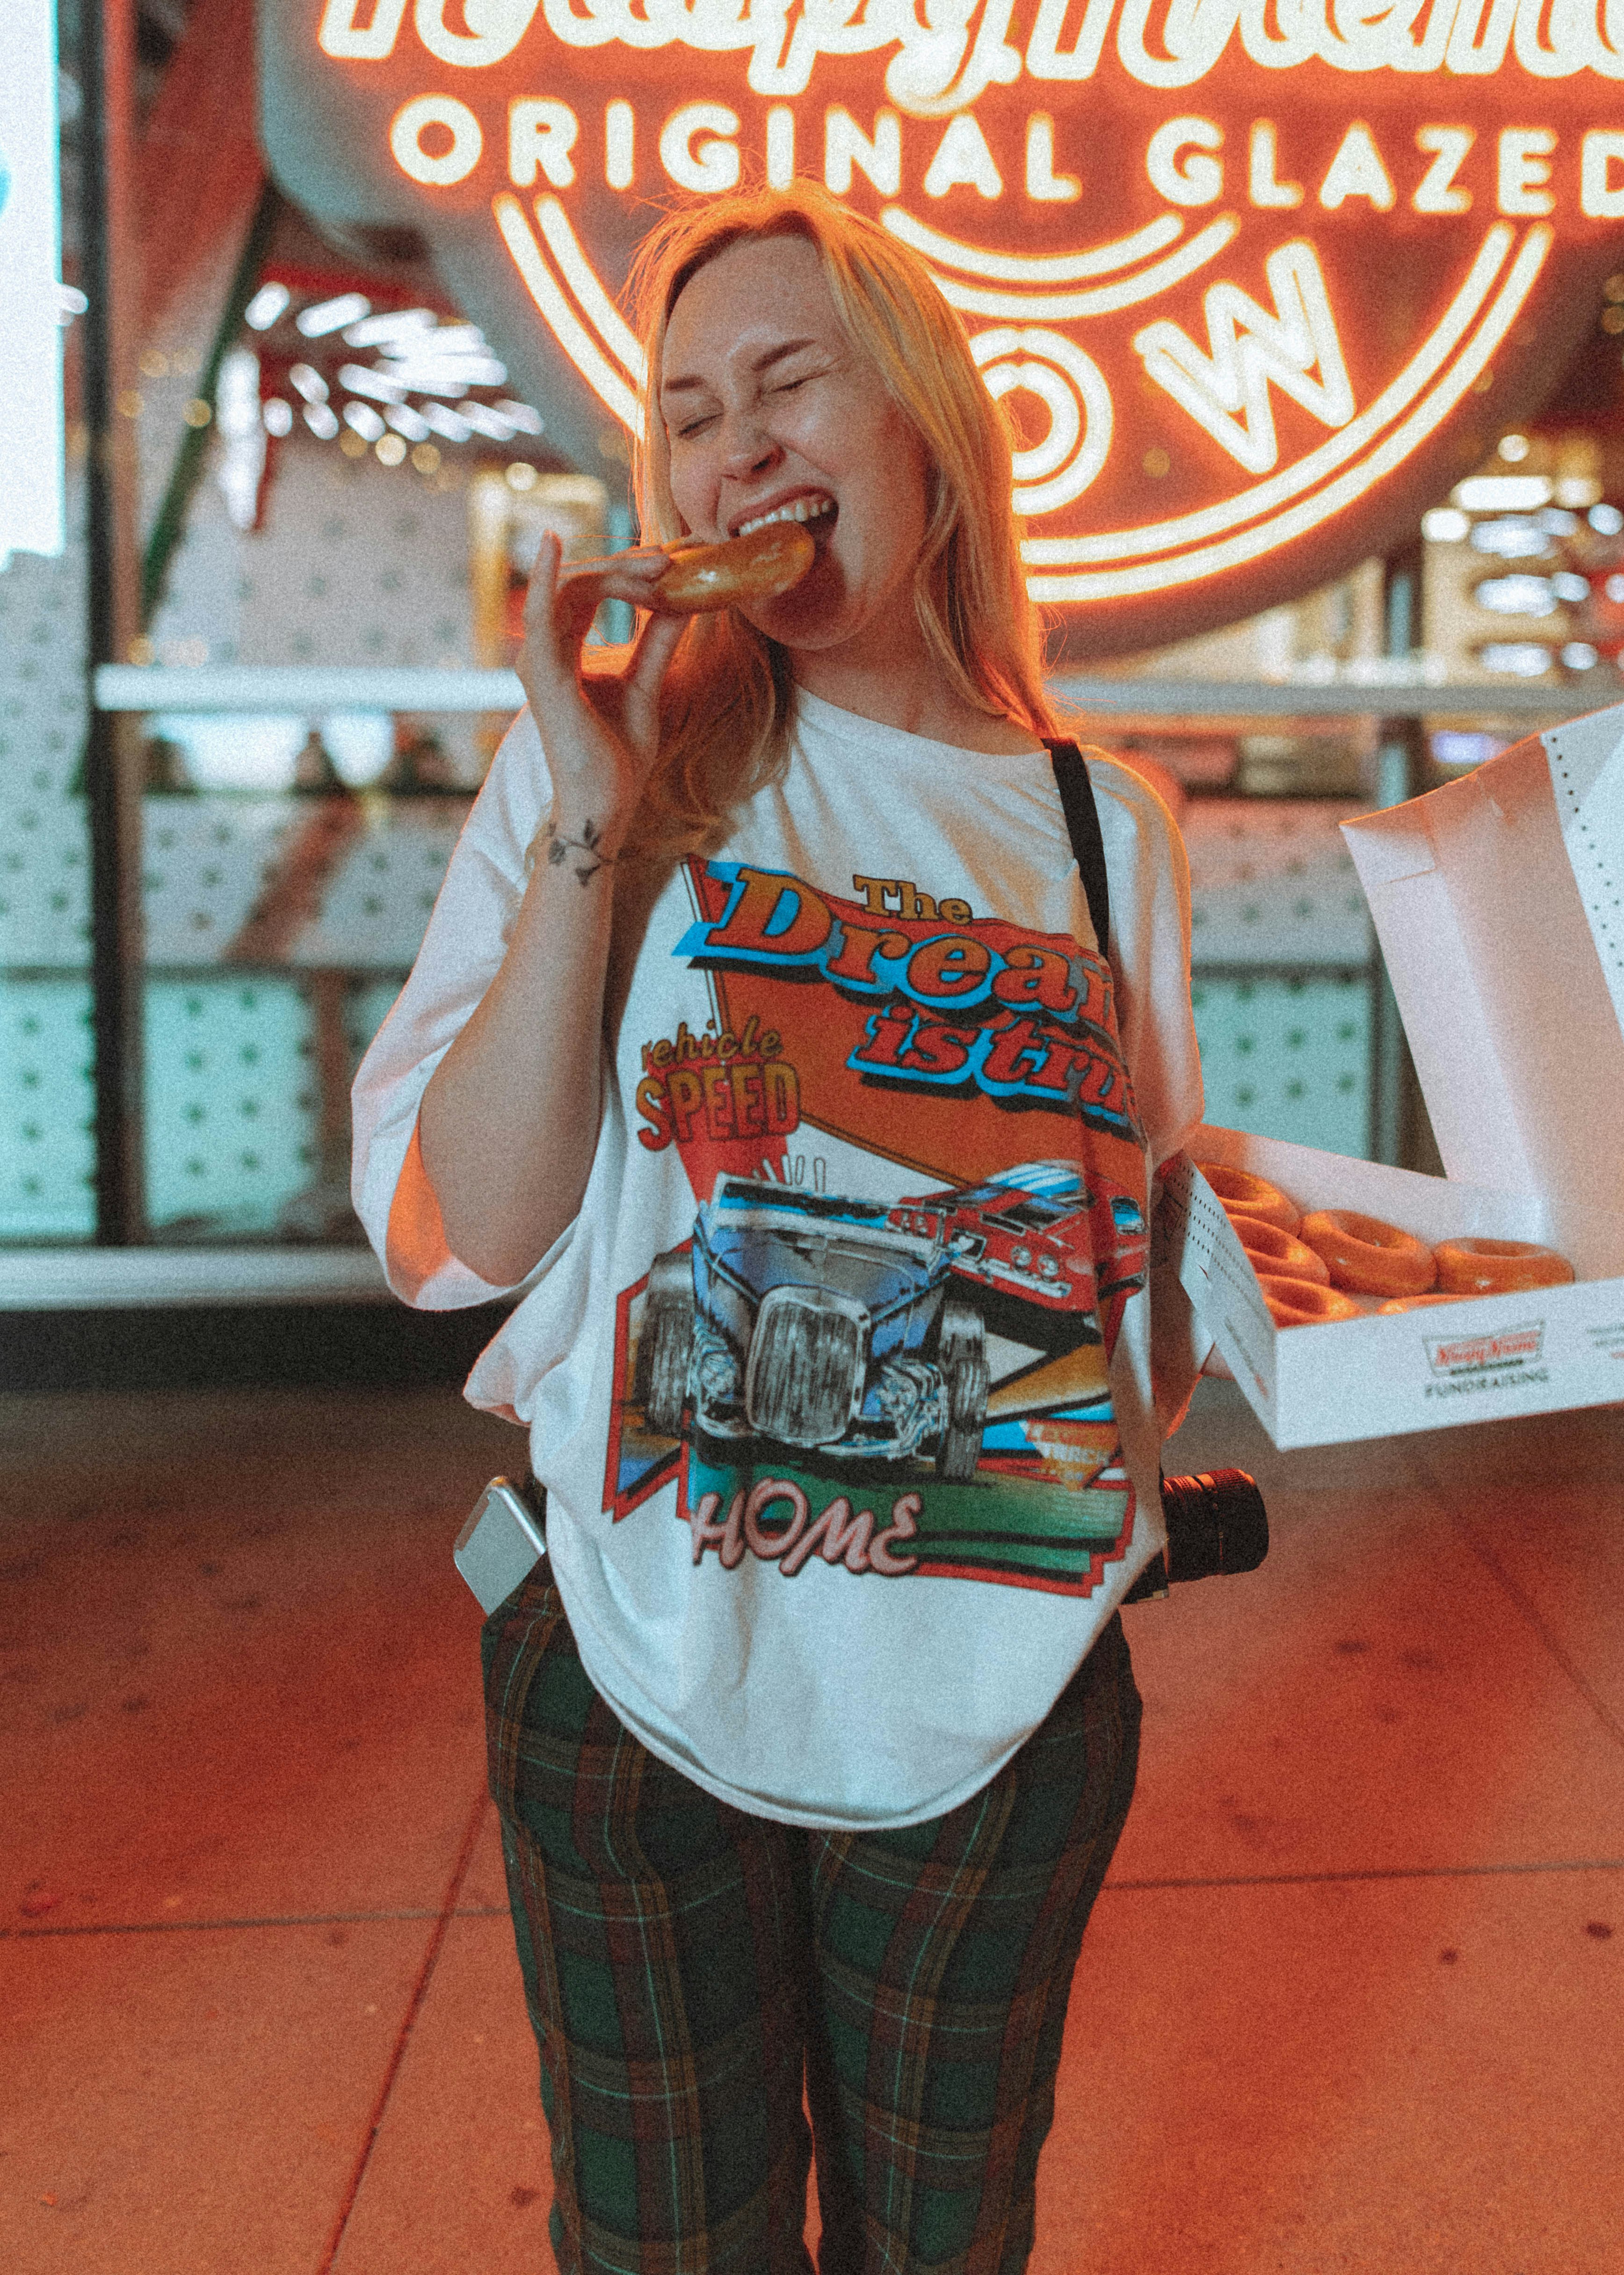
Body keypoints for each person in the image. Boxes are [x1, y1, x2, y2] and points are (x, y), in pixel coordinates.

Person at [353, 184, 1214, 2275]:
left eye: (786, 382)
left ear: (923, 427)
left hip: (994, 1683)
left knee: (943, 2246)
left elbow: (1144, 1249)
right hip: (635, 1651)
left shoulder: (1103, 820)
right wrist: (588, 804)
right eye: (682, 412)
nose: (729, 446)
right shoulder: (618, 777)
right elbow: (468, 1228)